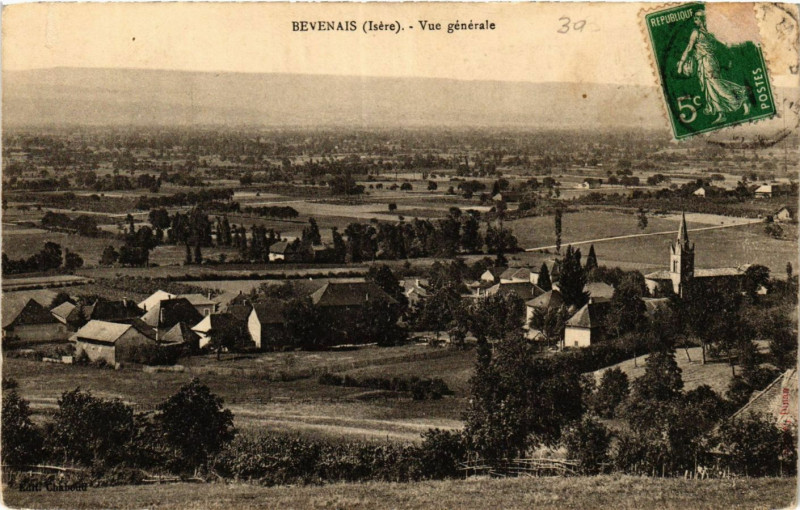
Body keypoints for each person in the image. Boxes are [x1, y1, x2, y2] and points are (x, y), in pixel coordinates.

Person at [677, 10, 750, 124]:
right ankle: (722, 113)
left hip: (708, 62)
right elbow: (725, 43)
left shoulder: (697, 33)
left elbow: (689, 48)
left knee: (717, 86)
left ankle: (742, 98)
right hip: (706, 63)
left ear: (701, 20)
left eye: (696, 18)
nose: (694, 20)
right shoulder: (709, 33)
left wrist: (681, 63)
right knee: (711, 88)